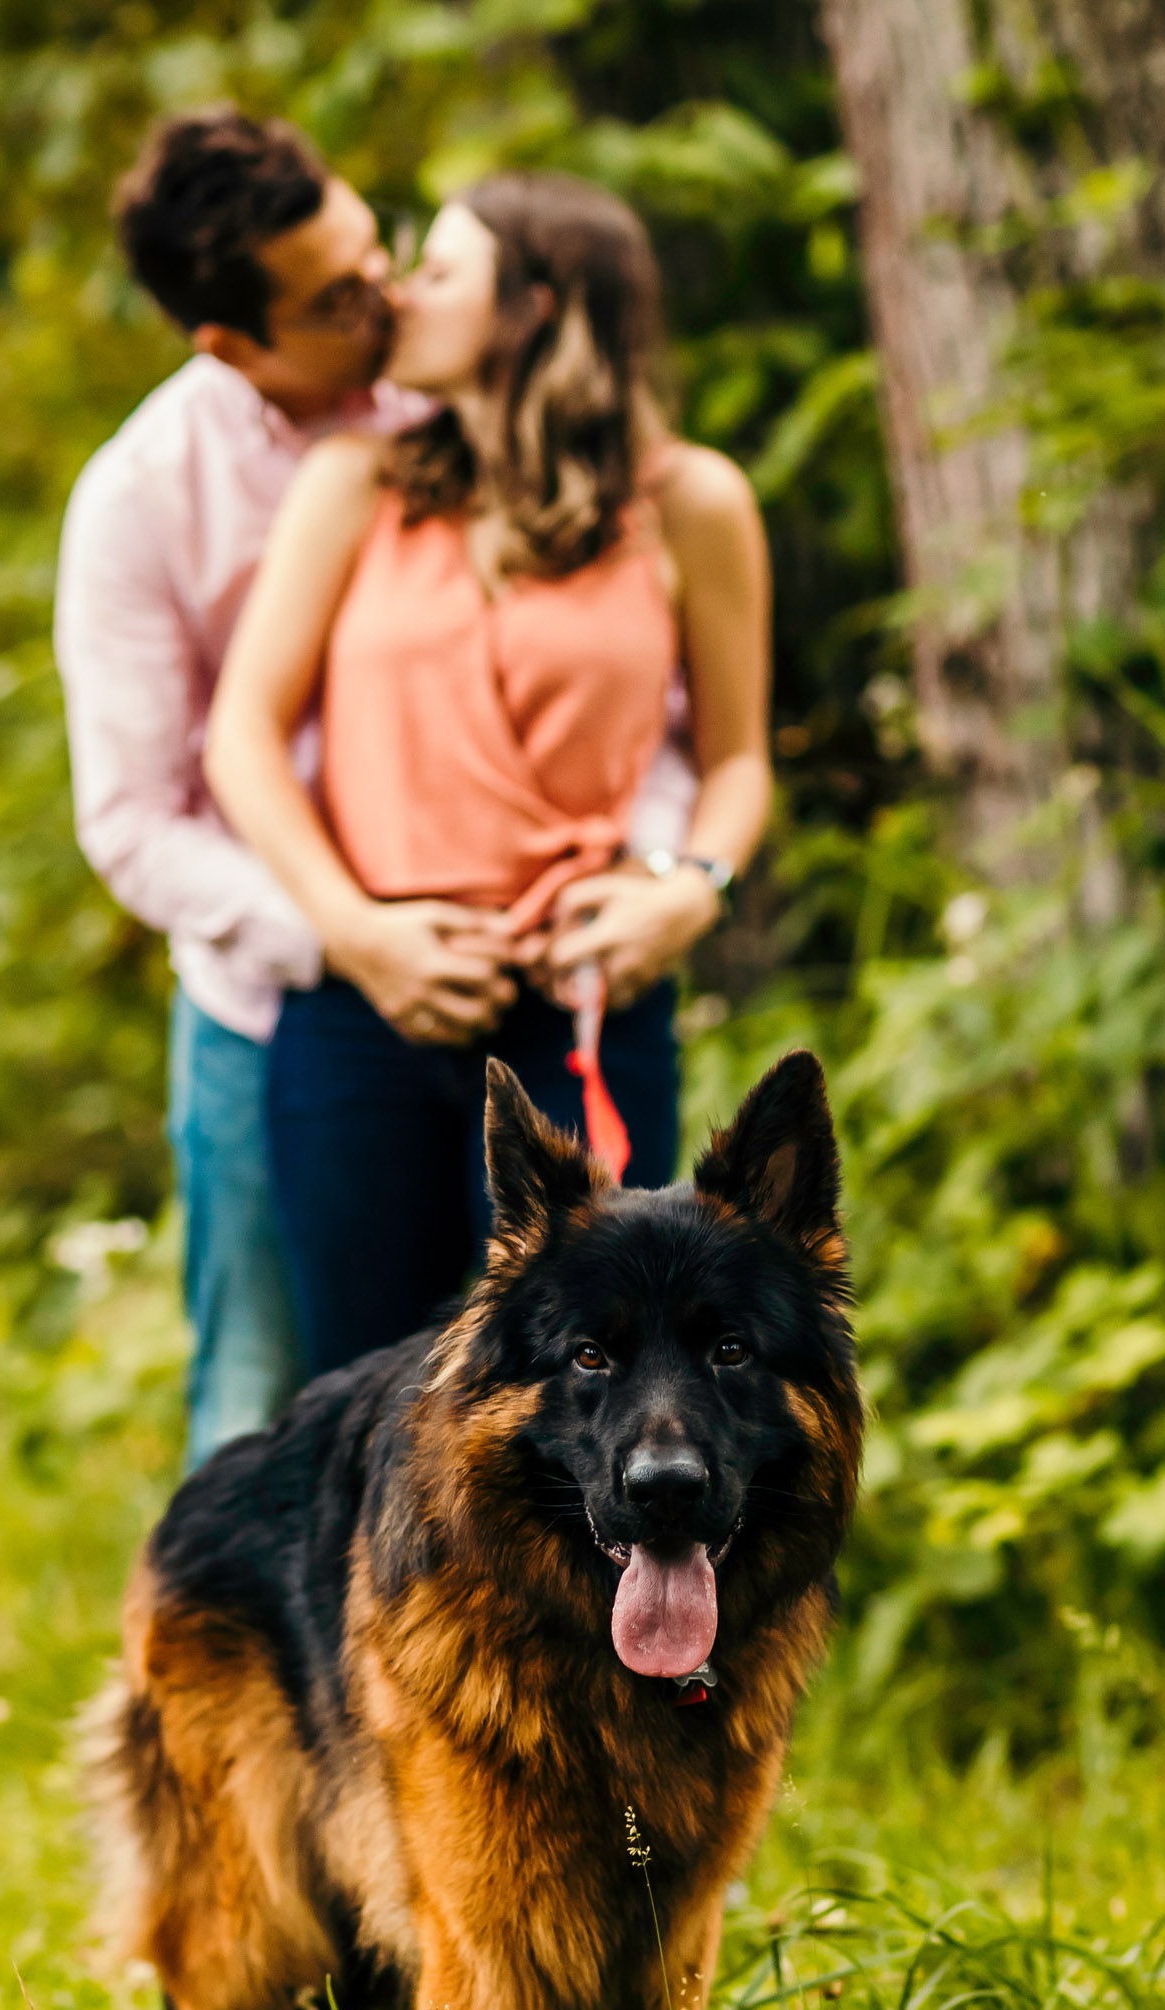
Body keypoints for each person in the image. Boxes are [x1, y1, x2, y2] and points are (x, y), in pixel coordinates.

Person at [55, 113, 697, 1468]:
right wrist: (353, 933)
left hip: (533, 988)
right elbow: (132, 821)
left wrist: (654, 872)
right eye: (337, 299)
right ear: (231, 343)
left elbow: (648, 700)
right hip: (280, 1000)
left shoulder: (471, 393)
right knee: (271, 1403)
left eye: (380, 254)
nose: (386, 297)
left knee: (561, 1401)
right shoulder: (142, 502)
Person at [205, 172, 771, 1379]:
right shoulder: (355, 482)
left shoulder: (690, 504)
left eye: (442, 271)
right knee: (360, 1403)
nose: (400, 291)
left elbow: (734, 762)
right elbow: (241, 736)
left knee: (596, 1396)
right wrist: (355, 932)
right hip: (369, 1009)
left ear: (538, 304)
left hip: (580, 1012)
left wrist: (688, 888)